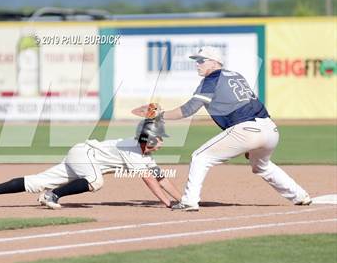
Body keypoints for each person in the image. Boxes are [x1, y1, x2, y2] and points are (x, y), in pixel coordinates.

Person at [132, 46, 311, 211]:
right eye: (196, 60)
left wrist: (158, 115)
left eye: (201, 60)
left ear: (214, 62)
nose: (197, 64)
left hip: (247, 129)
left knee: (200, 157)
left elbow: (188, 110)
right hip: (270, 129)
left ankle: (189, 201)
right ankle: (300, 195)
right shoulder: (235, 75)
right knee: (262, 166)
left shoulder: (212, 79)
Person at [0, 119, 182, 209]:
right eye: (159, 137)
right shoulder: (134, 153)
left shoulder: (144, 155)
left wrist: (183, 200)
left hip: (82, 156)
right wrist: (168, 204)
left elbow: (160, 178)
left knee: (37, 182)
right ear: (148, 138)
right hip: (85, 157)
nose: (162, 141)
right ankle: (53, 196)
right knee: (96, 181)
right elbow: (150, 181)